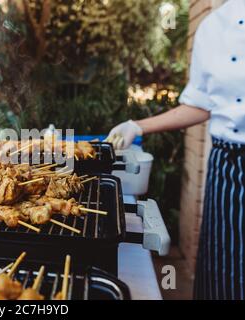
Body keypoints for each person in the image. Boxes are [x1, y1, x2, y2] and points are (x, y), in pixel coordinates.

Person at [107, 0, 245, 300]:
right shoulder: (214, 25)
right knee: (226, 273)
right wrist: (138, 126)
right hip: (229, 167)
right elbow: (200, 103)